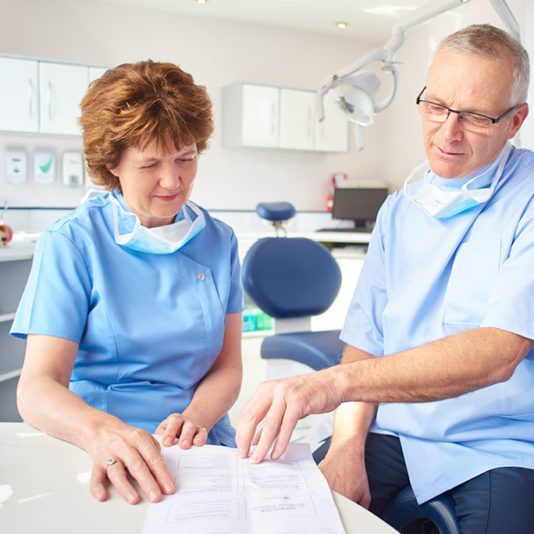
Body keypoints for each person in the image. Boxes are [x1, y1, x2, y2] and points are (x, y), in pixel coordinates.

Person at [236, 24, 534, 532]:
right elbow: (366, 340)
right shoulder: (400, 210)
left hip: (498, 444)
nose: (447, 133)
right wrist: (348, 444)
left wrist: (327, 386)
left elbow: (495, 353)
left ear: (514, 121)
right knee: (291, 511)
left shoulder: (527, 200)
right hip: (391, 429)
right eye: (436, 106)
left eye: (476, 117)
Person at [12, 60, 244, 505]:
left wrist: (196, 418)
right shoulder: (73, 242)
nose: (173, 181)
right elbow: (37, 387)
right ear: (112, 164)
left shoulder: (220, 242)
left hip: (196, 445)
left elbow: (228, 367)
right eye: (150, 163)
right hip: (98, 444)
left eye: (186, 157)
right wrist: (102, 432)